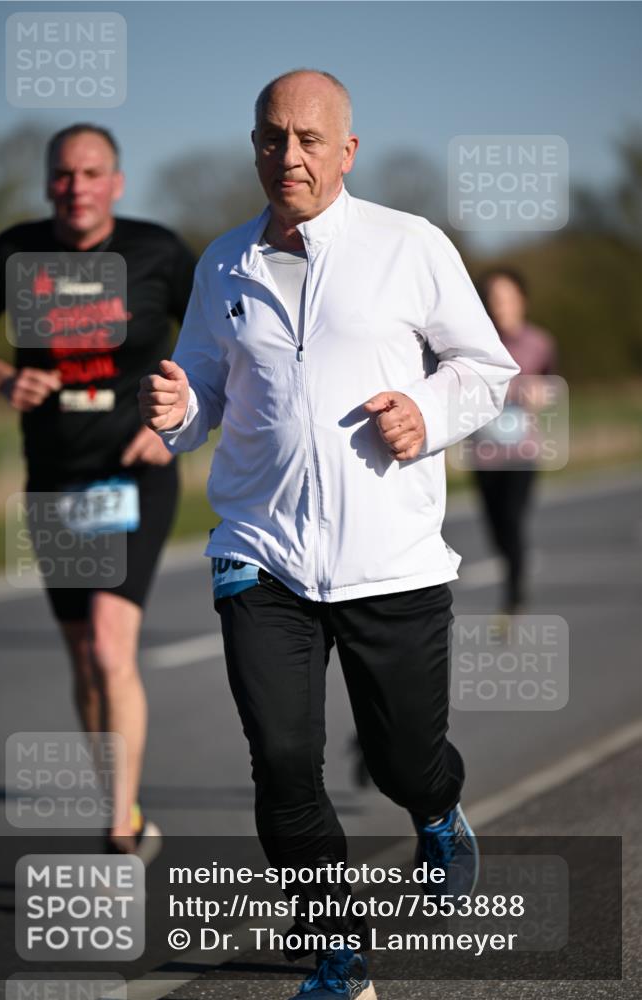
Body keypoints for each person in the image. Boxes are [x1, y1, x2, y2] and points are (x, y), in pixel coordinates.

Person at [139, 70, 518, 998]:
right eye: (272, 137)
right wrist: (179, 408)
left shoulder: (408, 245)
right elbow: (201, 393)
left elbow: (487, 368)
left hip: (389, 559)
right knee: (281, 763)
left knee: (402, 759)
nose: (289, 155)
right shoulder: (223, 261)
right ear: (254, 144)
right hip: (260, 555)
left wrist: (425, 413)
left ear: (346, 150)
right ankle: (336, 955)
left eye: (309, 139)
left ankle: (436, 812)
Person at [0, 124, 197, 856]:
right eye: (64, 174)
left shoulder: (159, 250)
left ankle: (118, 824)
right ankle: (121, 804)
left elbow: (219, 345)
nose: (77, 187)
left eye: (92, 172)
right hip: (58, 477)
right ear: (49, 182)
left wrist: (173, 425)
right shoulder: (13, 251)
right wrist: (4, 374)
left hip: (137, 469)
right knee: (82, 655)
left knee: (109, 644)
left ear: (117, 181)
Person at [474, 268, 558, 614]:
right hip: (484, 452)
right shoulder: (478, 344)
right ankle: (513, 569)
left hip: (523, 450)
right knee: (495, 526)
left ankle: (514, 591)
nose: (500, 307)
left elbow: (555, 386)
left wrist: (544, 394)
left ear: (521, 300)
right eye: (494, 300)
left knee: (512, 517)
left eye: (507, 298)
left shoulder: (540, 343)